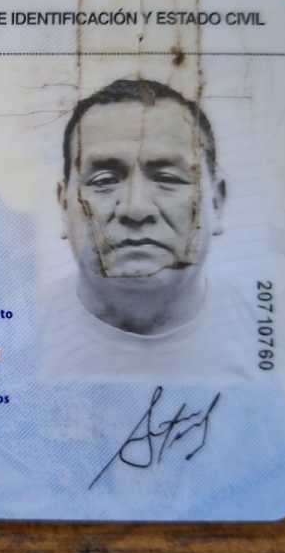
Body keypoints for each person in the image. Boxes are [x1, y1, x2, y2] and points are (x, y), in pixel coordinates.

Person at [41, 76, 253, 381]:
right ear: (64, 206)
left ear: (216, 203)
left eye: (168, 178)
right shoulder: (12, 337)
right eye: (104, 180)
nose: (135, 209)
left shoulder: (269, 337)